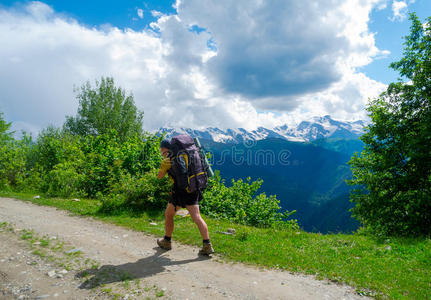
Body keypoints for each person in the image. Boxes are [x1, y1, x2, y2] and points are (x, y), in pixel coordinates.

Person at [156, 139, 214, 255]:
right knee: (197, 217)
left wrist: (164, 167)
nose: (160, 151)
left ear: (164, 149)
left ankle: (167, 241)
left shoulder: (168, 160)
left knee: (168, 214)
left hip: (179, 193)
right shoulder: (187, 155)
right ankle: (207, 244)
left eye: (161, 148)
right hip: (193, 188)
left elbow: (159, 176)